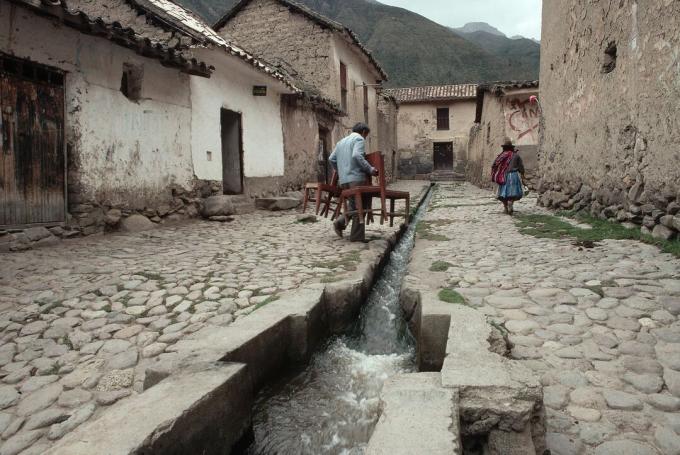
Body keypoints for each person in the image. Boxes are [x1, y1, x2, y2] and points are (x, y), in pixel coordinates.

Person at [330, 123, 379, 242]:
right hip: (356, 179)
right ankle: (356, 237)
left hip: (344, 181)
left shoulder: (340, 142)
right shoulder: (359, 138)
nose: (365, 138)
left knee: (353, 205)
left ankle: (339, 223)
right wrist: (370, 169)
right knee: (362, 204)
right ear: (363, 132)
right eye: (366, 135)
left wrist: (341, 171)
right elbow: (357, 155)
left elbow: (331, 159)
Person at [495, 138, 525, 215]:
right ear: (512, 147)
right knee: (513, 191)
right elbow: (521, 166)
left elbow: (495, 164)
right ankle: (510, 202)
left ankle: (505, 207)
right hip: (514, 175)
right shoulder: (516, 156)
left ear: (504, 148)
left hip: (503, 175)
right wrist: (522, 174)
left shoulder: (502, 155)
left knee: (503, 192)